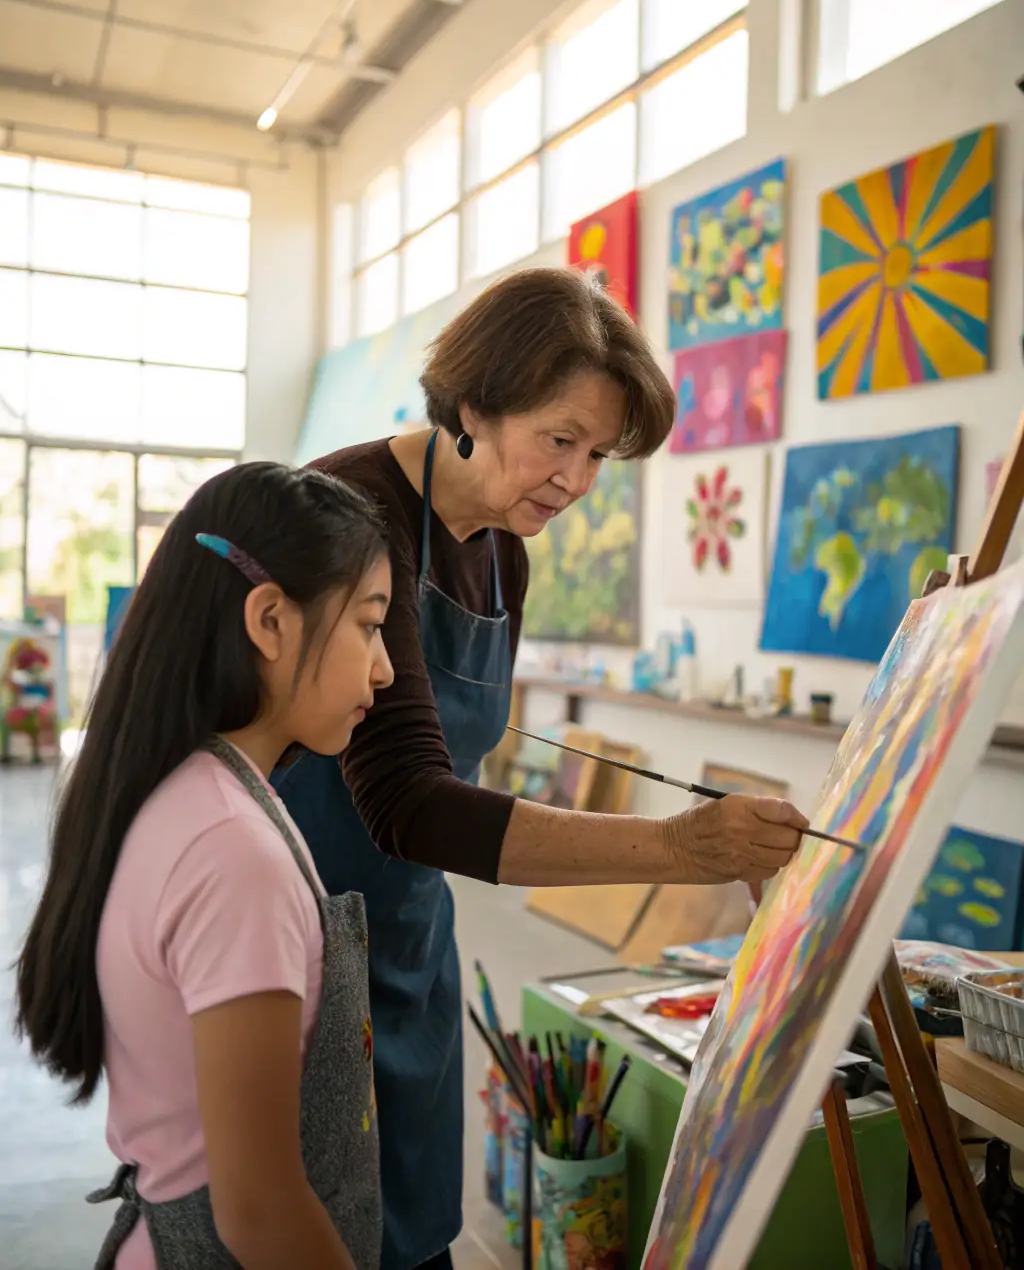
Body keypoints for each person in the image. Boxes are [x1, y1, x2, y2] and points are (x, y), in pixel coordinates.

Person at [272, 266, 809, 1270]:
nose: (574, 478)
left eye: (597, 454)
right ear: (476, 402)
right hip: (298, 940)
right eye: (559, 439)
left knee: (417, 1228)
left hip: (412, 941)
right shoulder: (351, 512)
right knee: (321, 1232)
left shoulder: (504, 553)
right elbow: (408, 805)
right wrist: (681, 847)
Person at [15, 463, 395, 1270]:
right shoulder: (232, 851)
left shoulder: (197, 790)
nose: (385, 666)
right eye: (369, 624)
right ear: (269, 620)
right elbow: (259, 1210)